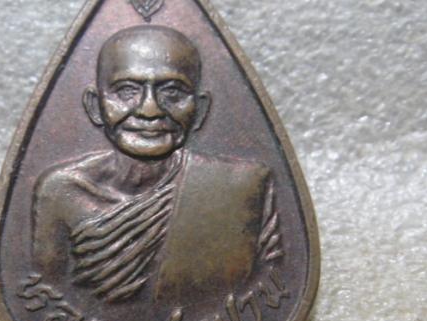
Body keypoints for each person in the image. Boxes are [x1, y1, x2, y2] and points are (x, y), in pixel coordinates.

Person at [32, 26, 271, 305]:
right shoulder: (61, 192)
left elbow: (272, 286)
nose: (150, 110)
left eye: (172, 92)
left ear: (200, 109)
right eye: (127, 91)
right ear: (95, 106)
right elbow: (45, 296)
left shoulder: (242, 188)